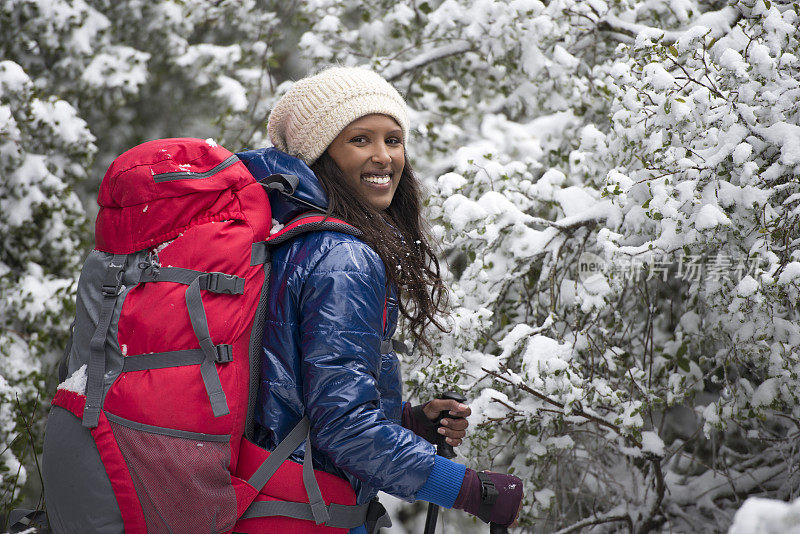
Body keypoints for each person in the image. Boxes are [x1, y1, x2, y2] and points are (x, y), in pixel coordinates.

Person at [237, 66, 523, 533]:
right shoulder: (342, 256)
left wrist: (407, 421)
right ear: (319, 154)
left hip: (270, 495)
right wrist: (471, 489)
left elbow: (292, 393)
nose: (383, 156)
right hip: (307, 510)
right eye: (359, 140)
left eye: (393, 139)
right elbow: (344, 428)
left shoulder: (287, 238)